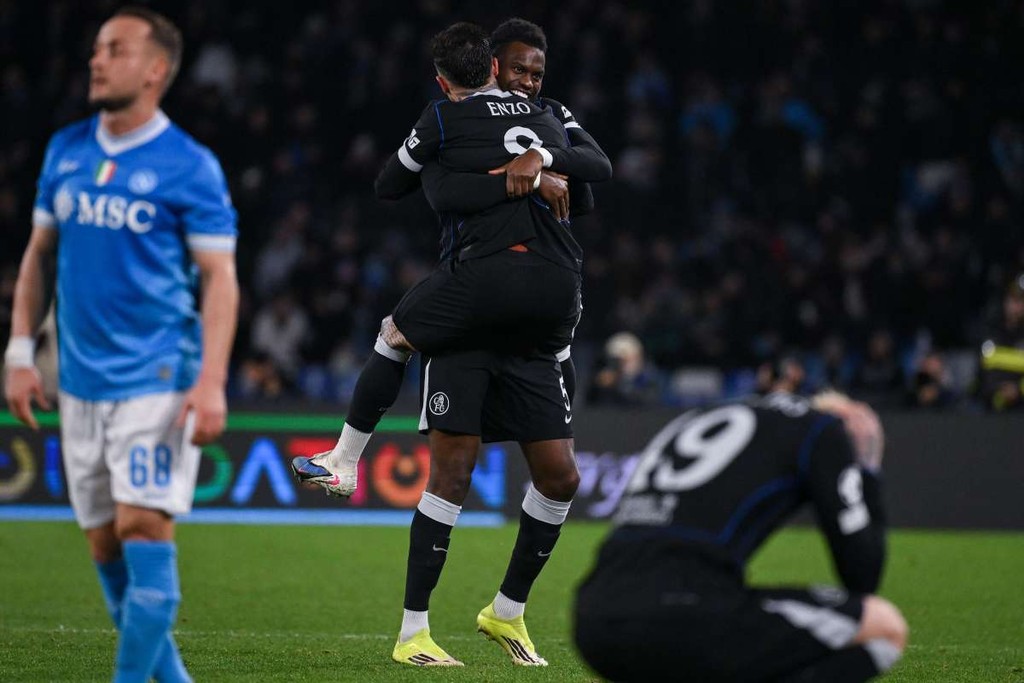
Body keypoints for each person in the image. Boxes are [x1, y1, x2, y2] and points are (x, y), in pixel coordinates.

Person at [294, 21, 610, 667]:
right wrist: (527, 175)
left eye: (536, 74)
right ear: (491, 68)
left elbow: (587, 182)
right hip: (471, 308)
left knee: (560, 476)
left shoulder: (540, 116)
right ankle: (414, 631)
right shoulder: (456, 121)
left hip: (528, 312)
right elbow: (443, 193)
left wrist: (539, 162)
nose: (528, 83)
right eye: (518, 70)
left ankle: (507, 611)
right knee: (451, 473)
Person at [3, 7, 238, 682]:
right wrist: (19, 351)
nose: (96, 60)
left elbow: (220, 278)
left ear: (155, 69)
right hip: (78, 382)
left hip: (156, 377)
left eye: (115, 49)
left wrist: (211, 381)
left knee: (143, 529)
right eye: (97, 49)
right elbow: (39, 255)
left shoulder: (189, 166)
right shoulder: (66, 149)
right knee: (106, 546)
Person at [574, 391, 908, 682]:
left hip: (593, 620)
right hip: (684, 618)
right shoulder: (823, 429)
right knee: (883, 627)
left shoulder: (701, 415)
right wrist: (867, 467)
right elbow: (862, 574)